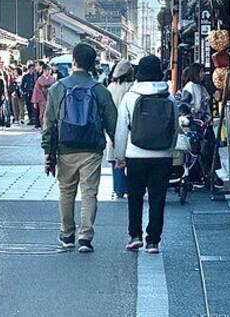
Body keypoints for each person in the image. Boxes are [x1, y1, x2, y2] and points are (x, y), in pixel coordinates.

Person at [43, 43, 118, 253]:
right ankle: (85, 237)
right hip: (92, 149)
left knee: (66, 192)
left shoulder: (57, 88)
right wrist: (119, 150)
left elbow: (48, 123)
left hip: (65, 148)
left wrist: (48, 152)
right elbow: (112, 123)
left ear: (74, 61)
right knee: (89, 193)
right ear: (92, 63)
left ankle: (67, 234)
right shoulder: (100, 90)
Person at [115, 55, 179, 255]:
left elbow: (121, 129)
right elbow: (175, 128)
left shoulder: (130, 96)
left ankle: (135, 236)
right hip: (162, 156)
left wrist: (120, 156)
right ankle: (153, 241)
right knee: (157, 198)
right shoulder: (168, 97)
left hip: (135, 155)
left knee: (135, 197)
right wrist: (170, 150)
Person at [106, 60, 134, 199]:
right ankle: (130, 187)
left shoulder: (110, 87)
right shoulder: (131, 87)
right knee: (130, 159)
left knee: (115, 158)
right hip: (130, 127)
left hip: (113, 126)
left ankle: (118, 189)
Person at [31, 62, 55, 129]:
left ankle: (50, 128)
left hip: (51, 98)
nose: (49, 71)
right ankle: (43, 128)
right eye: (48, 69)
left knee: (51, 114)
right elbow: (36, 90)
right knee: (42, 114)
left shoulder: (53, 79)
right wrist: (35, 102)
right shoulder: (39, 79)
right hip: (42, 98)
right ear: (44, 70)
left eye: (50, 70)